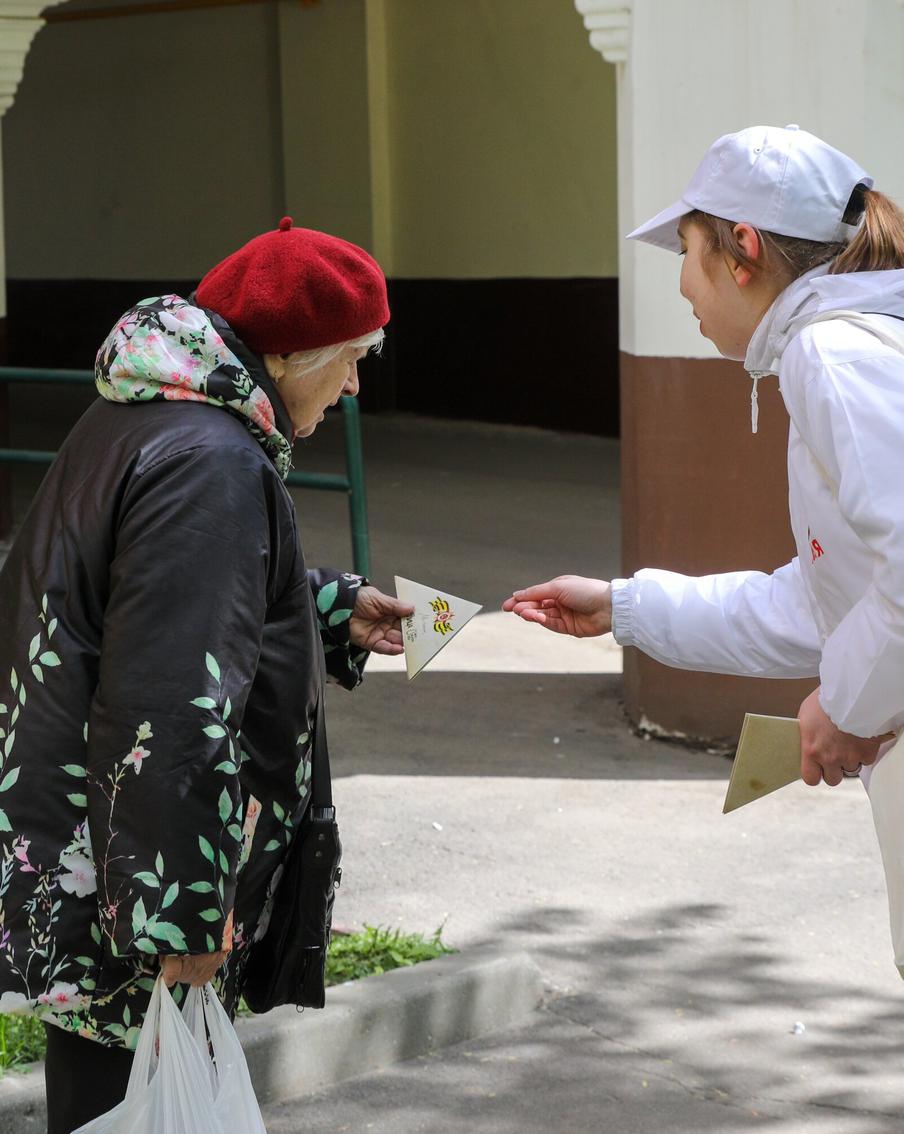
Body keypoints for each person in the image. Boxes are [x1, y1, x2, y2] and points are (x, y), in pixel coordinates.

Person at [0, 217, 413, 1133]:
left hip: (87, 849)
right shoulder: (211, 462)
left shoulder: (148, 415)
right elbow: (167, 704)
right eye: (351, 359)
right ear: (293, 350)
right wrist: (177, 923)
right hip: (124, 877)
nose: (352, 385)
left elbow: (152, 607)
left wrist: (328, 611)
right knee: (125, 1101)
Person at [505, 124, 904, 788]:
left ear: (742, 250)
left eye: (686, 249)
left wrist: (844, 710)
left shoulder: (831, 353)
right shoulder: (848, 344)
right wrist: (623, 608)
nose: (683, 284)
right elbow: (827, 603)